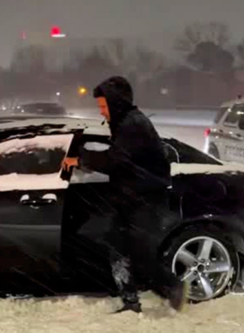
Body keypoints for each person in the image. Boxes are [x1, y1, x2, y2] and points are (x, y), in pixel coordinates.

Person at [62, 76, 188, 313]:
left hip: (145, 199)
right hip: (131, 196)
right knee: (118, 247)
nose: (101, 112)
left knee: (141, 251)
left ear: (116, 103)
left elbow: (116, 160)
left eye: (103, 106)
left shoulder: (132, 124)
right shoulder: (125, 123)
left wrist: (80, 159)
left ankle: (173, 287)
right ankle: (130, 301)